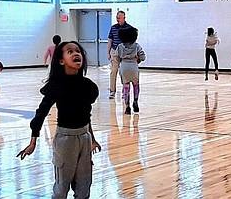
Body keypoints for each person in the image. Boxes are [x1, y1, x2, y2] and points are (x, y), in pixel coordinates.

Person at [17, 41, 101, 199]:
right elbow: (41, 114)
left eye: (78, 51)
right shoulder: (56, 85)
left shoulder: (88, 86)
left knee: (84, 186)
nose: (76, 54)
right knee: (62, 187)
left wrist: (93, 139)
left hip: (85, 138)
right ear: (61, 60)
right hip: (65, 140)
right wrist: (33, 141)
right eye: (70, 51)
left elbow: (85, 114)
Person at [115, 26, 145, 115]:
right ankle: (135, 101)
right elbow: (143, 57)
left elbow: (116, 58)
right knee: (136, 85)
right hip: (134, 66)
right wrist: (138, 60)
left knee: (126, 87)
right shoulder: (136, 46)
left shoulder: (120, 47)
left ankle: (127, 106)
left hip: (124, 67)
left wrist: (122, 61)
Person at [107, 11, 132, 99]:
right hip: (114, 52)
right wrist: (109, 52)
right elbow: (110, 40)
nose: (117, 19)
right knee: (113, 72)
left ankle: (124, 91)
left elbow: (131, 43)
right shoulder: (113, 28)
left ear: (124, 18)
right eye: (117, 18)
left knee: (123, 72)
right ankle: (112, 91)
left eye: (119, 18)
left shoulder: (129, 28)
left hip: (124, 53)